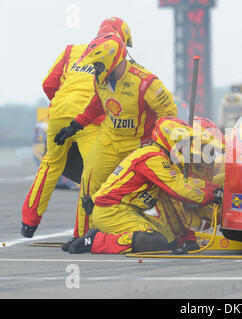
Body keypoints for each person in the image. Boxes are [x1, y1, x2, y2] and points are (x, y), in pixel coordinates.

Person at [54, 32, 178, 250]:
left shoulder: (146, 82)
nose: (94, 70)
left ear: (111, 60)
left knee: (152, 189)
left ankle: (172, 234)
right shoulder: (99, 79)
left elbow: (169, 113)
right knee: (89, 181)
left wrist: (160, 144)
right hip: (109, 138)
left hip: (139, 143)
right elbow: (96, 104)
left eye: (98, 66)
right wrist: (75, 125)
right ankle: (83, 235)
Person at [21, 18, 133, 244]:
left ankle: (29, 221)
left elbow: (48, 83)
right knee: (91, 174)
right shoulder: (119, 60)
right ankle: (82, 234)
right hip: (89, 120)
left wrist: (63, 106)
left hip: (59, 113)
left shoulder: (71, 51)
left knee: (51, 164)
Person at [67, 117, 222, 254]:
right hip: (113, 210)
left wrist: (184, 237)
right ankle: (95, 240)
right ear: (169, 139)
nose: (184, 147)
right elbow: (179, 190)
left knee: (170, 241)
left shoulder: (161, 160)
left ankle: (100, 235)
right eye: (181, 142)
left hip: (126, 210)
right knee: (154, 241)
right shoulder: (153, 157)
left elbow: (174, 197)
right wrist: (211, 196)